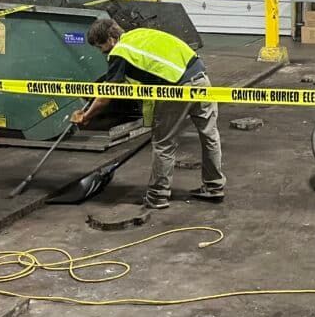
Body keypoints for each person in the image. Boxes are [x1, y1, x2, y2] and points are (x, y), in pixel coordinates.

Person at [72, 18, 224, 209]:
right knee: (210, 135)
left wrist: (86, 116)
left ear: (111, 39)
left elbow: (107, 95)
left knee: (164, 144)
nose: (102, 51)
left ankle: (158, 195)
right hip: (201, 78)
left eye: (100, 46)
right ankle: (214, 187)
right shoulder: (139, 34)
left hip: (176, 88)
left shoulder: (120, 52)